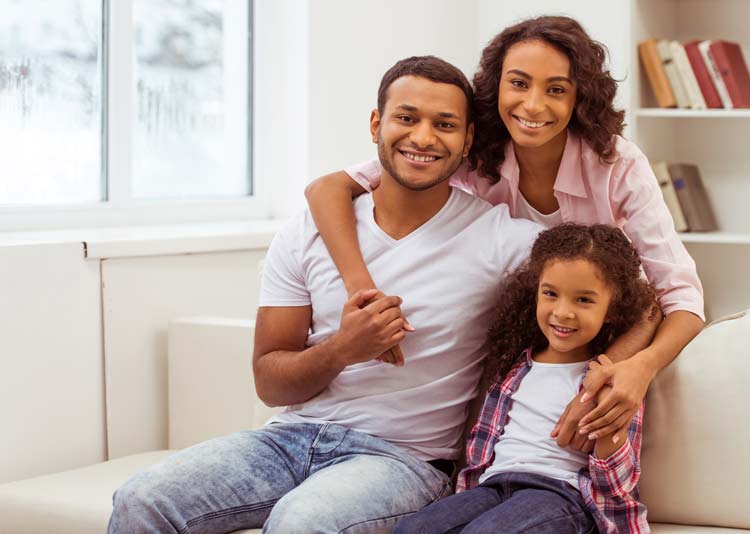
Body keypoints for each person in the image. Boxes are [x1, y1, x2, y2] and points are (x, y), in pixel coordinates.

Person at [107, 56, 546, 534]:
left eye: (444, 124)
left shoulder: (503, 240)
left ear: (467, 141)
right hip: (289, 439)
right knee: (141, 498)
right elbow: (271, 383)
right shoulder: (307, 233)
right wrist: (344, 348)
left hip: (406, 460)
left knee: (302, 523)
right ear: (377, 123)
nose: (422, 138)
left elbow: (617, 271)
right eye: (406, 117)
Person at [304, 15, 704, 449]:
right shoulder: (467, 152)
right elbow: (326, 189)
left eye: (556, 89)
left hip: (602, 328)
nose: (533, 106)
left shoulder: (616, 165)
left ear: (579, 97)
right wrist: (362, 290)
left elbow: (678, 297)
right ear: (496, 87)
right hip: (510, 333)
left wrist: (635, 367)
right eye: (518, 84)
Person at [394, 223, 655, 534]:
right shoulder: (517, 366)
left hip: (559, 495)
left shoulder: (612, 379)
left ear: (612, 308)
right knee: (411, 529)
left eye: (583, 300)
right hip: (494, 487)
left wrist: (607, 428)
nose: (563, 312)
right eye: (551, 294)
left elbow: (618, 480)